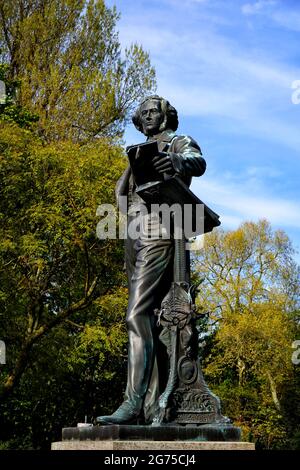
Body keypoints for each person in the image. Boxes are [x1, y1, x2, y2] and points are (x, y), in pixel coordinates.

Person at [96, 95, 206, 425]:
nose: (146, 117)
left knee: (136, 313)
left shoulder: (176, 141)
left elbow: (197, 161)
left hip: (160, 227)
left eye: (152, 112)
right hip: (133, 231)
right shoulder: (139, 151)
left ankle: (131, 403)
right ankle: (154, 405)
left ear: (165, 115)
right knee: (151, 318)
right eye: (142, 113)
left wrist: (176, 164)